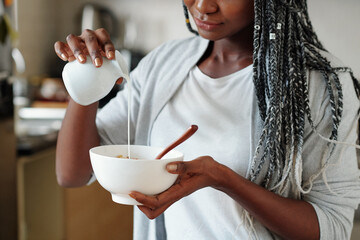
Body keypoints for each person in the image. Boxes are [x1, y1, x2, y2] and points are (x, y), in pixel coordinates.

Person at [54, 0, 360, 239]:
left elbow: (332, 228)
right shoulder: (164, 64)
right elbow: (73, 174)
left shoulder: (319, 84)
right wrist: (85, 80)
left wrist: (224, 180)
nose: (203, 6)